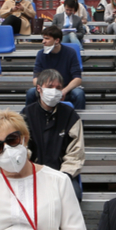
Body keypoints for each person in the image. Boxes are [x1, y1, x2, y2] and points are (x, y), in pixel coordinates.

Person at [22, 69, 85, 199]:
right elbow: (22, 148)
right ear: (39, 88)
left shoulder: (70, 116)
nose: (54, 91)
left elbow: (76, 152)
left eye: (58, 88)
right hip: (32, 173)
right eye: (50, 87)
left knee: (74, 194)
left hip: (62, 173)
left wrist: (64, 175)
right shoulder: (26, 115)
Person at [26, 26, 85, 110]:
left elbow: (77, 79)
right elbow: (36, 79)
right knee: (31, 93)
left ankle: (78, 121)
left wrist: (64, 91)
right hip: (46, 88)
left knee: (79, 94)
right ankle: (29, 121)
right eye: (43, 38)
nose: (43, 42)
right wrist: (45, 90)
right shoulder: (41, 54)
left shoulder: (70, 53)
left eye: (47, 39)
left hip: (65, 88)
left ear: (57, 40)